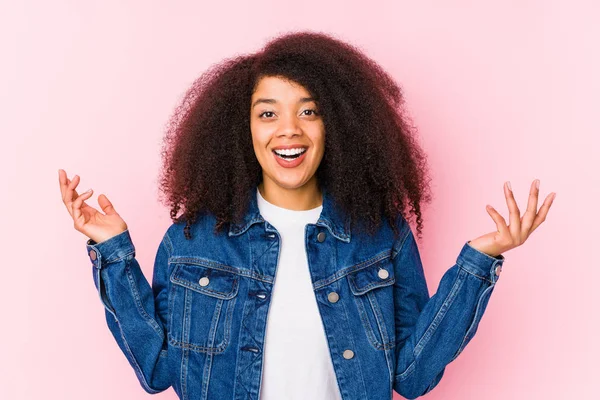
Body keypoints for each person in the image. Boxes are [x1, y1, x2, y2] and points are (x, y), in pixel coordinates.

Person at [58, 31, 556, 400]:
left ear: (338, 123)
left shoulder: (379, 236)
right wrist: (113, 252)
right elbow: (156, 369)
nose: (288, 130)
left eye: (310, 111)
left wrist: (478, 262)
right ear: (242, 129)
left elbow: (413, 375)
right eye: (268, 112)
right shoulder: (194, 239)